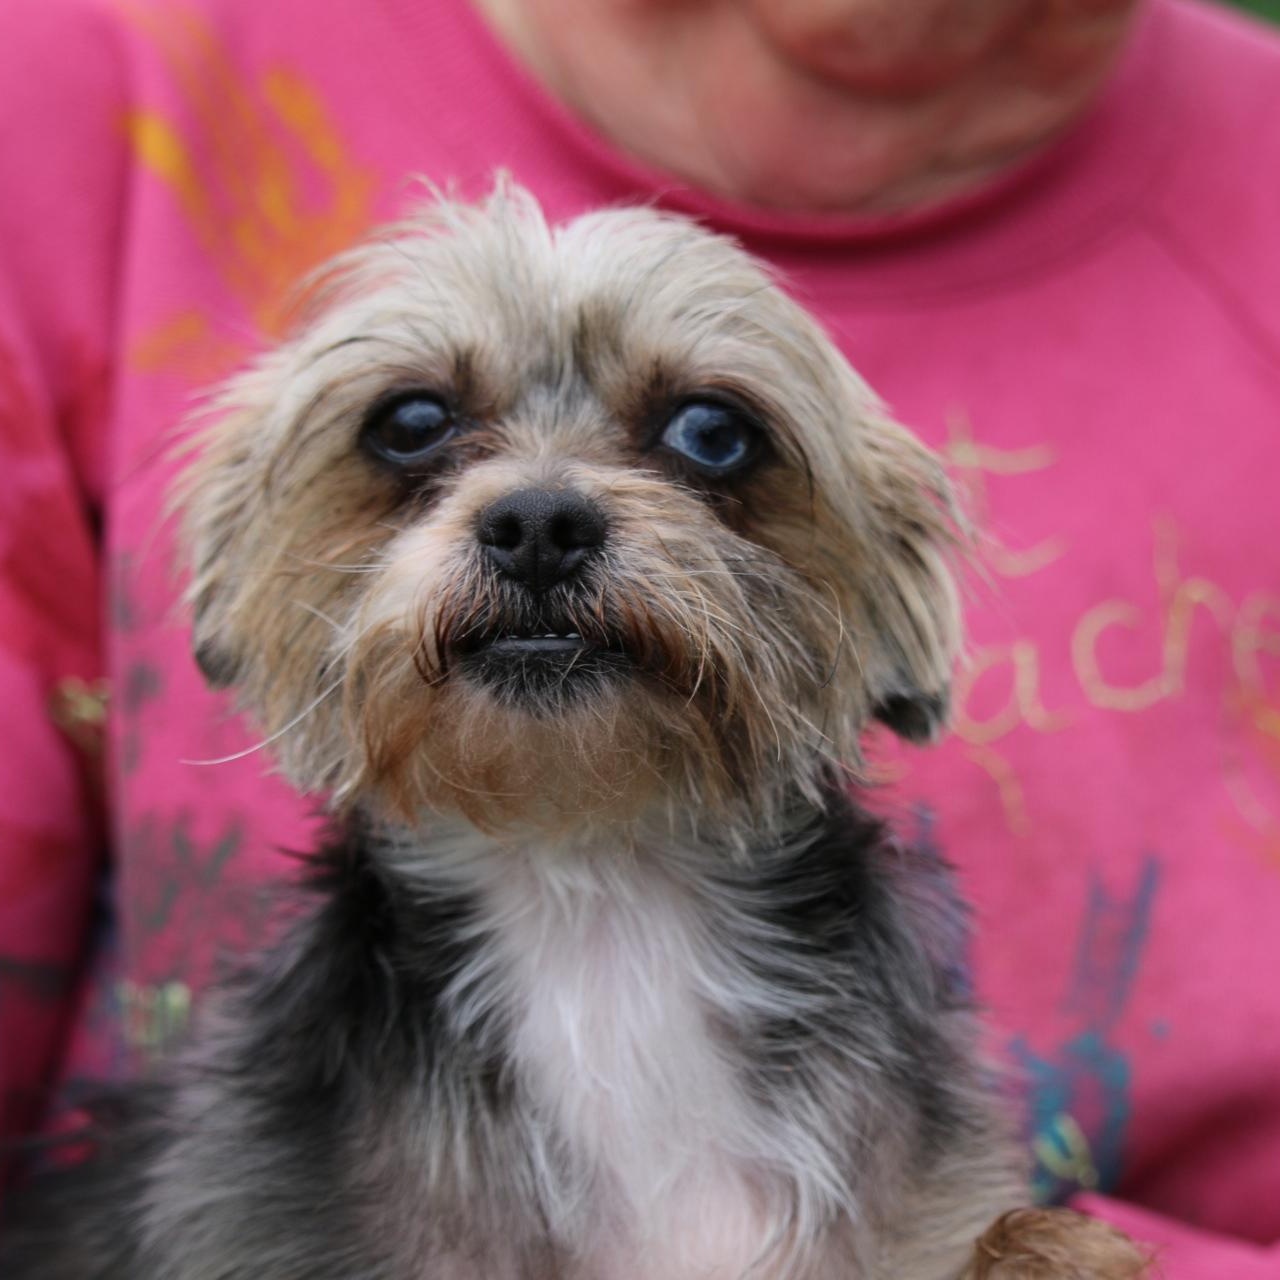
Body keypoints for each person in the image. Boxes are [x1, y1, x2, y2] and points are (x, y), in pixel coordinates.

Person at [0, 0, 1276, 1273]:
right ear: (234, 582)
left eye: (707, 439)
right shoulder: (81, 85)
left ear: (897, 602)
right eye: (412, 432)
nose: (538, 511)